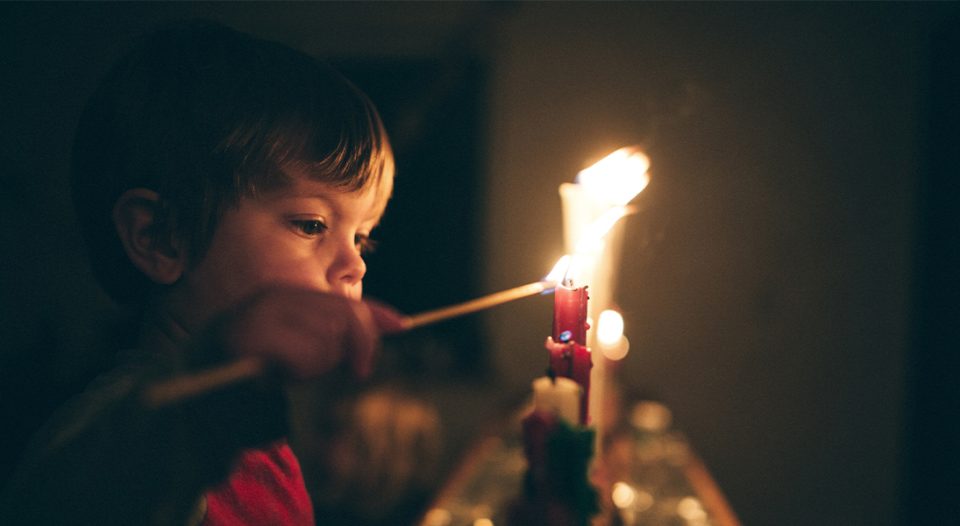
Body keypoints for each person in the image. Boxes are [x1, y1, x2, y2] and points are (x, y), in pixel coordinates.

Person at [1, 20, 408, 525]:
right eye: (311, 224)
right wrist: (202, 397)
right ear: (161, 237)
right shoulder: (143, 425)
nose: (355, 265)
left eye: (362, 236)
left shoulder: (259, 432)